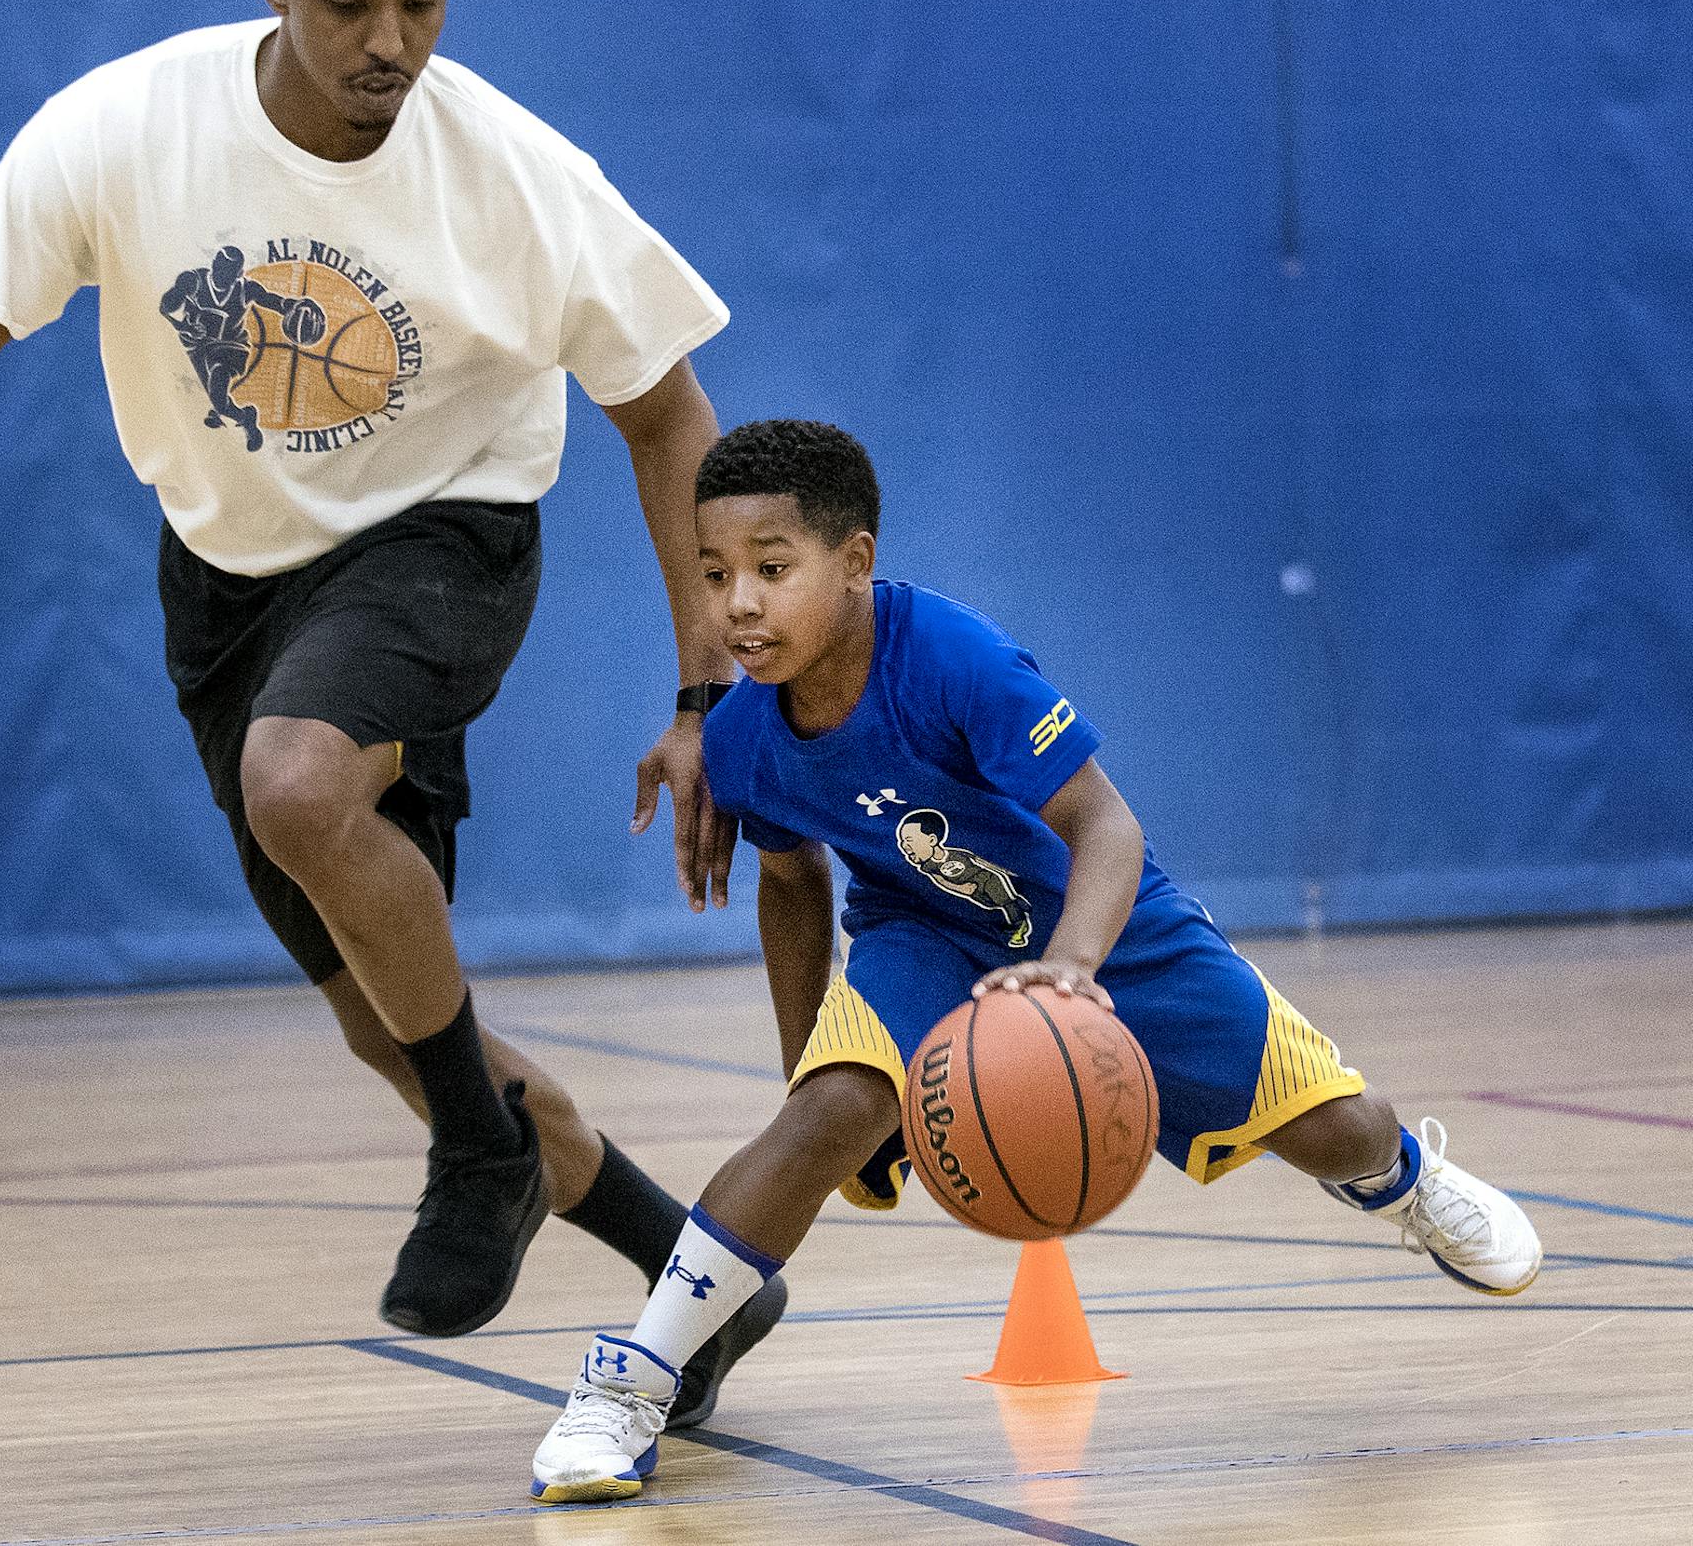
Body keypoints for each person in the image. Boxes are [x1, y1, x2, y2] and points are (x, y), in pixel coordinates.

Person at [0, 0, 785, 1424]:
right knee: (395, 1028)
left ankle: (478, 1156)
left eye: (423, 2)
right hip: (228, 582)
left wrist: (706, 688)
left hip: (446, 533)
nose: (389, 41)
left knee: (298, 782)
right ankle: (693, 1273)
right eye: (347, 2)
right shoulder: (125, 129)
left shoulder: (521, 177)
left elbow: (669, 410)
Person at [529, 419, 1542, 1502]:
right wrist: (810, 1073)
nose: (738, 603)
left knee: (1340, 1128)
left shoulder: (954, 659)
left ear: (856, 563)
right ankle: (630, 1386)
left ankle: (1404, 1183)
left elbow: (1106, 827)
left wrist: (1071, 968)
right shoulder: (740, 739)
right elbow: (790, 886)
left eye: (772, 571)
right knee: (821, 1116)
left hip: (1102, 924)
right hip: (922, 935)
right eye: (715, 573)